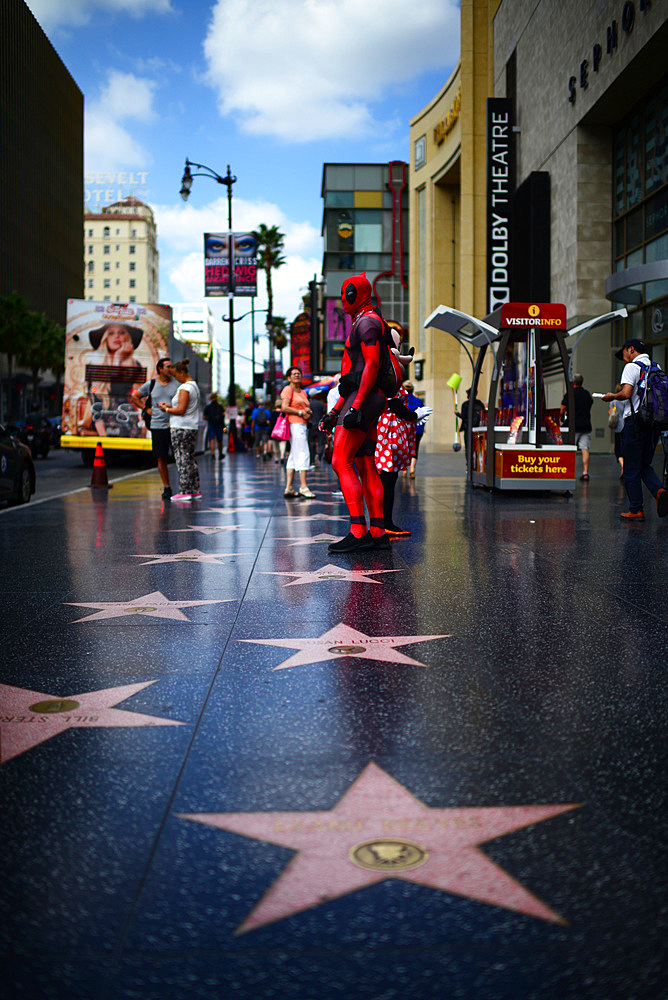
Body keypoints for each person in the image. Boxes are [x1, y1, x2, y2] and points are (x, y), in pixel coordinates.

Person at [320, 273, 392, 553]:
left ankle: (358, 531)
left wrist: (357, 405)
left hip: (365, 399)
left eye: (345, 293)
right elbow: (356, 374)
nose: (342, 299)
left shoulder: (367, 322)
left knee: (341, 461)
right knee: (364, 463)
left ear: (355, 294)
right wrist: (337, 409)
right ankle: (378, 530)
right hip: (365, 398)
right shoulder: (369, 320)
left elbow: (371, 365)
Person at [602, 338, 668, 520]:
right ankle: (660, 490)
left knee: (631, 467)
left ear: (631, 350)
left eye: (623, 353)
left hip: (635, 423)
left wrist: (611, 396)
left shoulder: (632, 367)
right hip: (653, 423)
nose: (623, 358)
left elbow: (626, 393)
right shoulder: (656, 366)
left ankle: (635, 509)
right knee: (645, 464)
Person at [131, 357, 179, 500]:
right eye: (168, 367)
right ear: (160, 369)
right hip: (158, 426)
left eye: (171, 367)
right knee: (161, 458)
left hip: (175, 425)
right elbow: (136, 397)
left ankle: (184, 487)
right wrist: (146, 409)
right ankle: (167, 487)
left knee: (179, 458)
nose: (171, 369)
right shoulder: (151, 385)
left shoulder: (177, 385)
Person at [157, 358, 201, 501]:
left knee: (182, 459)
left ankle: (185, 490)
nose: (175, 378)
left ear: (182, 372)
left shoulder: (185, 388)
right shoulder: (194, 386)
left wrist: (167, 408)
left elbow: (181, 409)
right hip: (191, 426)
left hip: (181, 427)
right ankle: (194, 489)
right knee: (189, 458)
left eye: (176, 375)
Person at [280, 366, 316, 498]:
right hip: (294, 424)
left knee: (294, 456)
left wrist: (308, 412)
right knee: (303, 453)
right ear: (289, 377)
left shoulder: (303, 392)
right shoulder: (288, 390)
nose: (297, 375)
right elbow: (284, 407)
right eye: (294, 374)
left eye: (299, 373)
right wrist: (300, 412)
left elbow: (306, 407)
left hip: (302, 424)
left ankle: (289, 487)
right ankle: (303, 486)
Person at [560, 373, 593, 481]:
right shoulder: (587, 394)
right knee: (585, 449)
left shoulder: (569, 394)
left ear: (573, 382)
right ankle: (585, 472)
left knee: (570, 449)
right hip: (585, 425)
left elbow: (562, 410)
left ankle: (568, 471)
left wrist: (562, 418)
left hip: (572, 426)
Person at [456, 389, 485, 468]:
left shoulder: (465, 405)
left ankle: (469, 463)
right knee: (477, 446)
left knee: (468, 447)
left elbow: (463, 416)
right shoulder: (480, 404)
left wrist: (457, 413)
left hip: (468, 429)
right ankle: (477, 463)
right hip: (478, 429)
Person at [403, 381, 425, 479]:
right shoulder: (418, 401)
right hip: (418, 429)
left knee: (404, 449)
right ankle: (412, 469)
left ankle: (404, 470)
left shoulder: (402, 401)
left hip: (405, 429)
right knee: (415, 449)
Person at [608, 384, 625, 478]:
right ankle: (625, 466)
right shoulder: (626, 400)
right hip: (626, 426)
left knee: (618, 450)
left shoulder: (614, 401)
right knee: (625, 447)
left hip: (618, 427)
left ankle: (623, 466)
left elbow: (610, 412)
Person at [203, 392, 225, 460]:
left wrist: (210, 418)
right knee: (219, 440)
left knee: (212, 439)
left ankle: (213, 454)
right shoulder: (220, 406)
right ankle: (220, 454)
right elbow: (223, 414)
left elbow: (204, 417)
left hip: (211, 424)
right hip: (219, 425)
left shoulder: (207, 407)